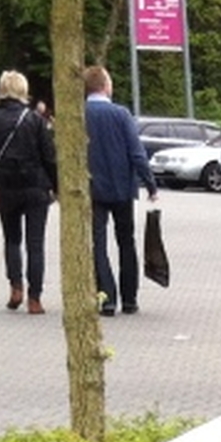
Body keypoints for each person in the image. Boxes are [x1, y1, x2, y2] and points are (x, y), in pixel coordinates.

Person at [0, 70, 57, 314]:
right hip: (35, 187)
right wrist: (56, 187)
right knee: (36, 244)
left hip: (6, 187)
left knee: (12, 239)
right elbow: (49, 157)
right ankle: (35, 299)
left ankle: (15, 288)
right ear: (23, 90)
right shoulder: (35, 120)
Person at [82, 65, 157, 316]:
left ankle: (107, 298)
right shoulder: (121, 114)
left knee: (98, 244)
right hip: (122, 188)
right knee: (127, 242)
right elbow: (136, 152)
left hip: (92, 190)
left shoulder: (79, 114)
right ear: (105, 85)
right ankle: (130, 299)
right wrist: (150, 183)